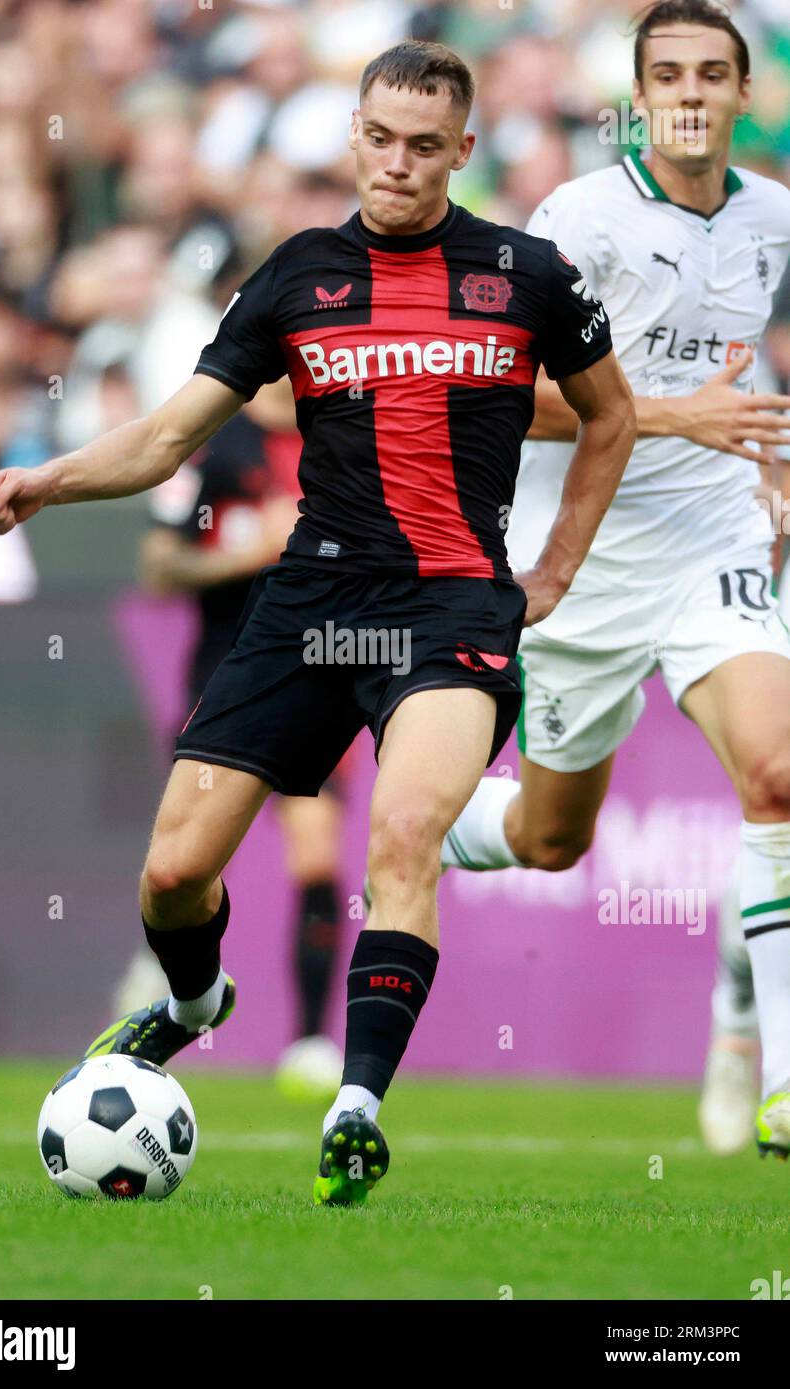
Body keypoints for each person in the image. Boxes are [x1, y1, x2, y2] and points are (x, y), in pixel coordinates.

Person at [0, 39, 635, 1205]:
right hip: (313, 606)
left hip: (448, 609)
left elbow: (608, 418)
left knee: (401, 838)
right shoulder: (296, 275)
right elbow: (169, 436)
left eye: (424, 146)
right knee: (173, 873)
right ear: (353, 138)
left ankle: (356, 1103)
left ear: (462, 151)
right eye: (378, 138)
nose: (396, 163)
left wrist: (557, 568)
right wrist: (48, 479)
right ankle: (193, 1004)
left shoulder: (527, 273)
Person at [439, 1, 790, 1159]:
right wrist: (671, 413)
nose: (689, 93)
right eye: (666, 76)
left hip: (713, 544)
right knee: (550, 841)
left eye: (711, 74)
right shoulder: (577, 222)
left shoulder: (774, 222)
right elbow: (499, 394)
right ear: (637, 101)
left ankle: (774, 1058)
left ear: (744, 96)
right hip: (579, 564)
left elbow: (756, 378)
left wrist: (774, 472)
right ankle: (436, 817)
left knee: (776, 776)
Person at [118, 379, 350, 1099]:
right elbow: (158, 566)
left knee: (317, 852)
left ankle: (311, 1040)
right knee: (189, 864)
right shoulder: (216, 443)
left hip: (321, 671)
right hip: (225, 681)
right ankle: (176, 977)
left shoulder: (339, 433)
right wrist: (248, 552)